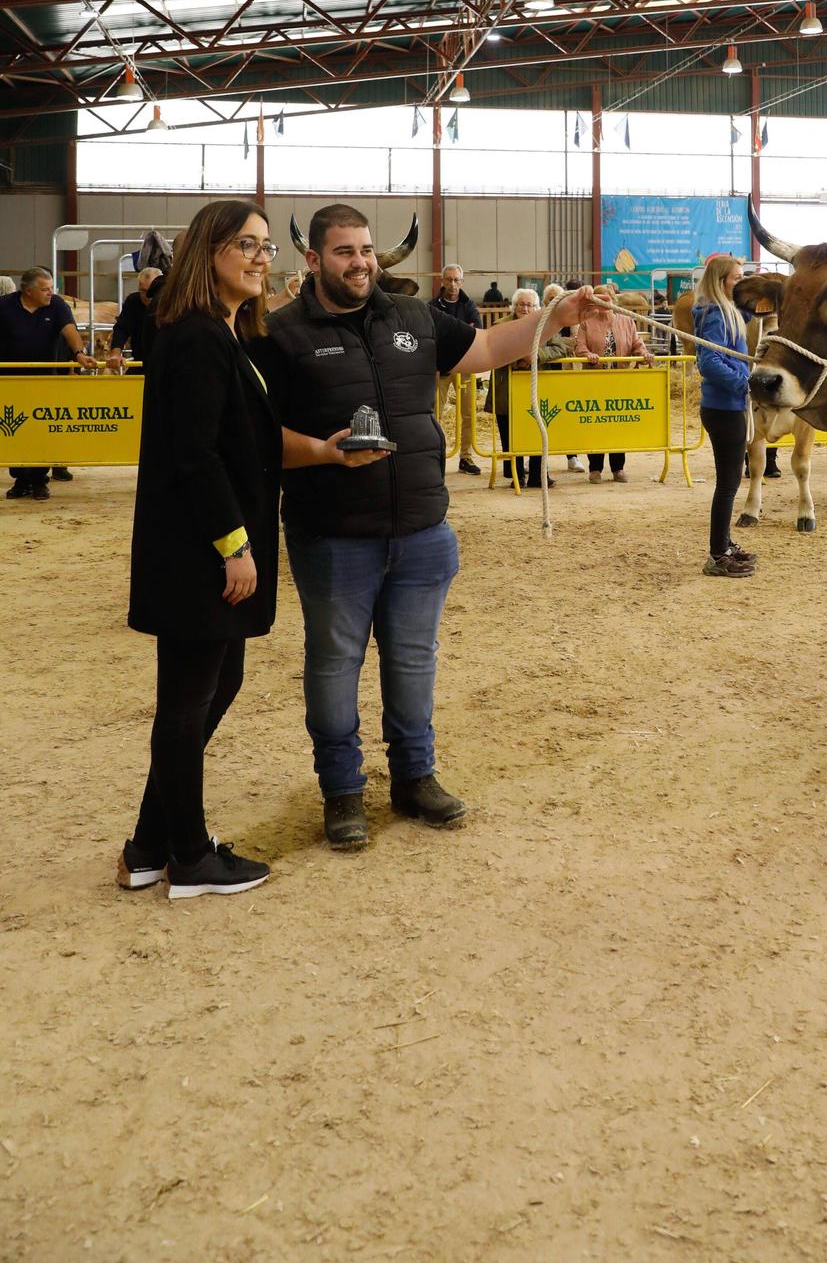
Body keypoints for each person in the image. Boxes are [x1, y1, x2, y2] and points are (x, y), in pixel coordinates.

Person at [263, 202, 605, 852]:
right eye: (343, 252)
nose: (360, 261)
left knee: (415, 660)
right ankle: (341, 791)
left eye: (365, 249)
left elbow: (483, 349)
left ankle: (414, 778)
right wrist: (324, 452)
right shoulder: (281, 333)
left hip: (422, 530)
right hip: (332, 534)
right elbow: (253, 435)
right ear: (312, 260)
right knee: (335, 665)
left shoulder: (413, 317)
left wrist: (555, 316)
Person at [120, 201, 283, 900]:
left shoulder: (220, 332)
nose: (259, 257)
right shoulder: (194, 337)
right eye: (245, 244)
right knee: (187, 702)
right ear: (208, 251)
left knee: (214, 688)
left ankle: (150, 845)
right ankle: (188, 856)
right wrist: (233, 544)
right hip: (200, 554)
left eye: (266, 246)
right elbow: (194, 457)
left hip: (206, 549)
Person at [0, 266, 95, 500]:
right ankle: (21, 480)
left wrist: (80, 354)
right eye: (44, 289)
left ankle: (40, 480)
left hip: (45, 380)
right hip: (11, 381)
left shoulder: (57, 305)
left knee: (43, 430)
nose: (49, 293)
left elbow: (70, 330)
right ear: (26, 290)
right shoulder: (4, 306)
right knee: (16, 430)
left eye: (51, 288)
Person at [691, 254, 755, 580]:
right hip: (724, 408)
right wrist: (744, 382)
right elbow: (710, 363)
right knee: (728, 485)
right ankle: (717, 555)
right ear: (721, 282)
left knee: (730, 483)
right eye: (737, 278)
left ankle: (725, 544)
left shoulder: (729, 311)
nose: (740, 282)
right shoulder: (716, 315)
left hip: (727, 406)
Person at [574, 284, 652, 483]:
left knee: (618, 423)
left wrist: (643, 354)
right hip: (595, 382)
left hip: (620, 381)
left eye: (606, 299)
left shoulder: (627, 321)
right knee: (596, 425)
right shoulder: (586, 322)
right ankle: (595, 469)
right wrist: (587, 354)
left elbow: (636, 344)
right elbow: (579, 345)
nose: (603, 304)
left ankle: (618, 468)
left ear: (613, 300)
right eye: (598, 300)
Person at [492, 287, 562, 490]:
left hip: (537, 388)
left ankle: (539, 476)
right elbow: (496, 348)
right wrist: (521, 355)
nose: (525, 308)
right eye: (521, 304)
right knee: (510, 433)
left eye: (529, 304)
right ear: (514, 306)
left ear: (537, 307)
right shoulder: (500, 325)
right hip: (508, 389)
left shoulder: (547, 324)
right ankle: (516, 475)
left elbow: (562, 347)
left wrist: (537, 355)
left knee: (538, 431)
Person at [431, 264, 483, 474]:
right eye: (449, 279)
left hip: (466, 366)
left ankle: (466, 457)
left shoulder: (470, 306)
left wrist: (453, 336)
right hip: (441, 368)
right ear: (442, 281)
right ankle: (435, 456)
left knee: (469, 413)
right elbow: (432, 335)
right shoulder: (432, 306)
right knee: (435, 413)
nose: (452, 284)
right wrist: (463, 333)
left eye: (456, 280)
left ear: (462, 282)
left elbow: (477, 332)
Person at [542, 283, 584, 473]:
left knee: (568, 418)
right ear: (545, 301)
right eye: (550, 299)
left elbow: (575, 344)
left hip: (566, 375)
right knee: (542, 418)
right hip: (544, 374)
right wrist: (560, 346)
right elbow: (543, 345)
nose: (553, 301)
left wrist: (556, 346)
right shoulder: (540, 320)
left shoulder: (572, 320)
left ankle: (572, 456)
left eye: (557, 298)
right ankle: (537, 458)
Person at [106, 266, 163, 370]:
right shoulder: (133, 301)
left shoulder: (171, 304)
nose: (147, 296)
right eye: (143, 291)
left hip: (165, 364)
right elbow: (121, 329)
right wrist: (115, 353)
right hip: (140, 361)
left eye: (151, 291)